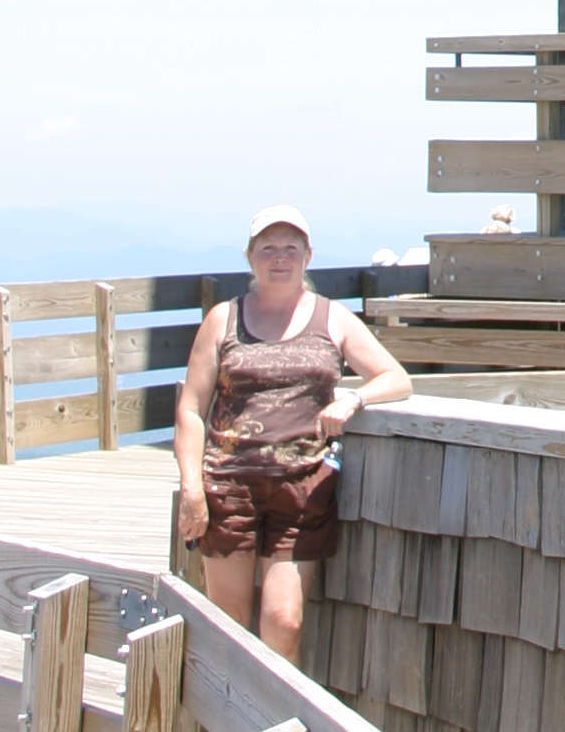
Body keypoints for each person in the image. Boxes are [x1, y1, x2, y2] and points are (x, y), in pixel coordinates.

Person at [174, 206, 411, 662]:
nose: (279, 258)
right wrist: (191, 488)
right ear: (250, 258)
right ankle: (229, 729)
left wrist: (352, 399)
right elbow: (190, 409)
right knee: (228, 618)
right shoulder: (222, 320)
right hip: (227, 484)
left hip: (302, 487)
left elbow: (395, 377)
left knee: (284, 621)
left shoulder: (333, 319)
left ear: (308, 256)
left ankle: (276, 730)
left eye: (290, 248)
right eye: (267, 248)